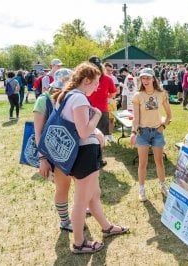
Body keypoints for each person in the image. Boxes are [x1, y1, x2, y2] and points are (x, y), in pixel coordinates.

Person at [51, 62, 128, 253]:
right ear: (86, 81)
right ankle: (79, 243)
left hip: (79, 153)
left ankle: (106, 227)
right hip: (84, 153)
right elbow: (84, 131)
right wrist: (97, 115)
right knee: (82, 200)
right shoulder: (79, 99)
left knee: (93, 195)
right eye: (95, 83)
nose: (97, 88)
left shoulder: (66, 96)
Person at [34, 68, 74, 232]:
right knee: (63, 187)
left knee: (79, 184)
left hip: (72, 149)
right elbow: (38, 132)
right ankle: (64, 221)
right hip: (53, 151)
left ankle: (80, 209)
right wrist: (43, 159)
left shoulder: (71, 97)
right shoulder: (43, 100)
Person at [130, 68, 172, 202]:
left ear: (154, 78)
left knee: (159, 161)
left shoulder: (162, 94)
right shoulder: (138, 95)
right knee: (142, 163)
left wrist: (163, 126)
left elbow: (169, 114)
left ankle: (162, 185)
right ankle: (141, 189)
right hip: (143, 133)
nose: (146, 80)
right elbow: (135, 118)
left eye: (148, 78)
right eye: (143, 78)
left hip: (157, 133)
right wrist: (133, 132)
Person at [87, 56, 117, 153]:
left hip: (99, 109)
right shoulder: (107, 79)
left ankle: (98, 156)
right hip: (89, 109)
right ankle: (95, 155)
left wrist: (104, 96)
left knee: (98, 135)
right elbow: (112, 94)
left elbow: (113, 93)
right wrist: (105, 95)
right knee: (94, 134)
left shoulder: (107, 79)